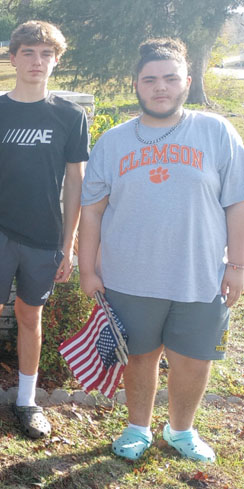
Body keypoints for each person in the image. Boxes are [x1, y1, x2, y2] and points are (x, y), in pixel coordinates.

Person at [79, 38, 243, 462]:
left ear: (187, 82)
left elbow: (237, 202)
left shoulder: (216, 131)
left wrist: (238, 265)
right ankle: (138, 428)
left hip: (200, 273)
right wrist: (87, 269)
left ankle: (181, 431)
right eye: (150, 79)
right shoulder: (113, 142)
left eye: (170, 78)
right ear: (136, 84)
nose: (160, 87)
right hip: (129, 275)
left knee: (193, 359)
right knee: (139, 357)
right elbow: (92, 211)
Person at [0, 21, 89, 439]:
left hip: (45, 237)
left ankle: (27, 402)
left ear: (56, 60)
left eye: (46, 54)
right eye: (28, 53)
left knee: (31, 315)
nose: (37, 61)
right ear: (12, 58)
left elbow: (75, 184)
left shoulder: (69, 116)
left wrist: (69, 245)